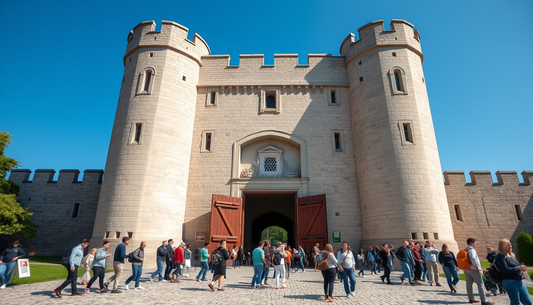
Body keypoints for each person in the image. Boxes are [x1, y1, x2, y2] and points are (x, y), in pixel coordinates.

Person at [494, 239, 532, 305]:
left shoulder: (511, 255)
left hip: (519, 281)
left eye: (510, 244)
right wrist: (518, 268)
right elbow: (505, 269)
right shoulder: (500, 256)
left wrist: (521, 270)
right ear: (502, 246)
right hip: (509, 282)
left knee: (528, 302)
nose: (510, 246)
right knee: (515, 302)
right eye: (508, 245)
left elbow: (516, 267)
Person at [463, 238, 494, 305]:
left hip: (466, 269)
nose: (475, 244)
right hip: (473, 269)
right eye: (475, 243)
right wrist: (479, 269)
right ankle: (484, 300)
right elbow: (474, 259)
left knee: (469, 284)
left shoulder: (465, 250)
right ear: (471, 243)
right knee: (480, 284)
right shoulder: (471, 250)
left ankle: (471, 298)